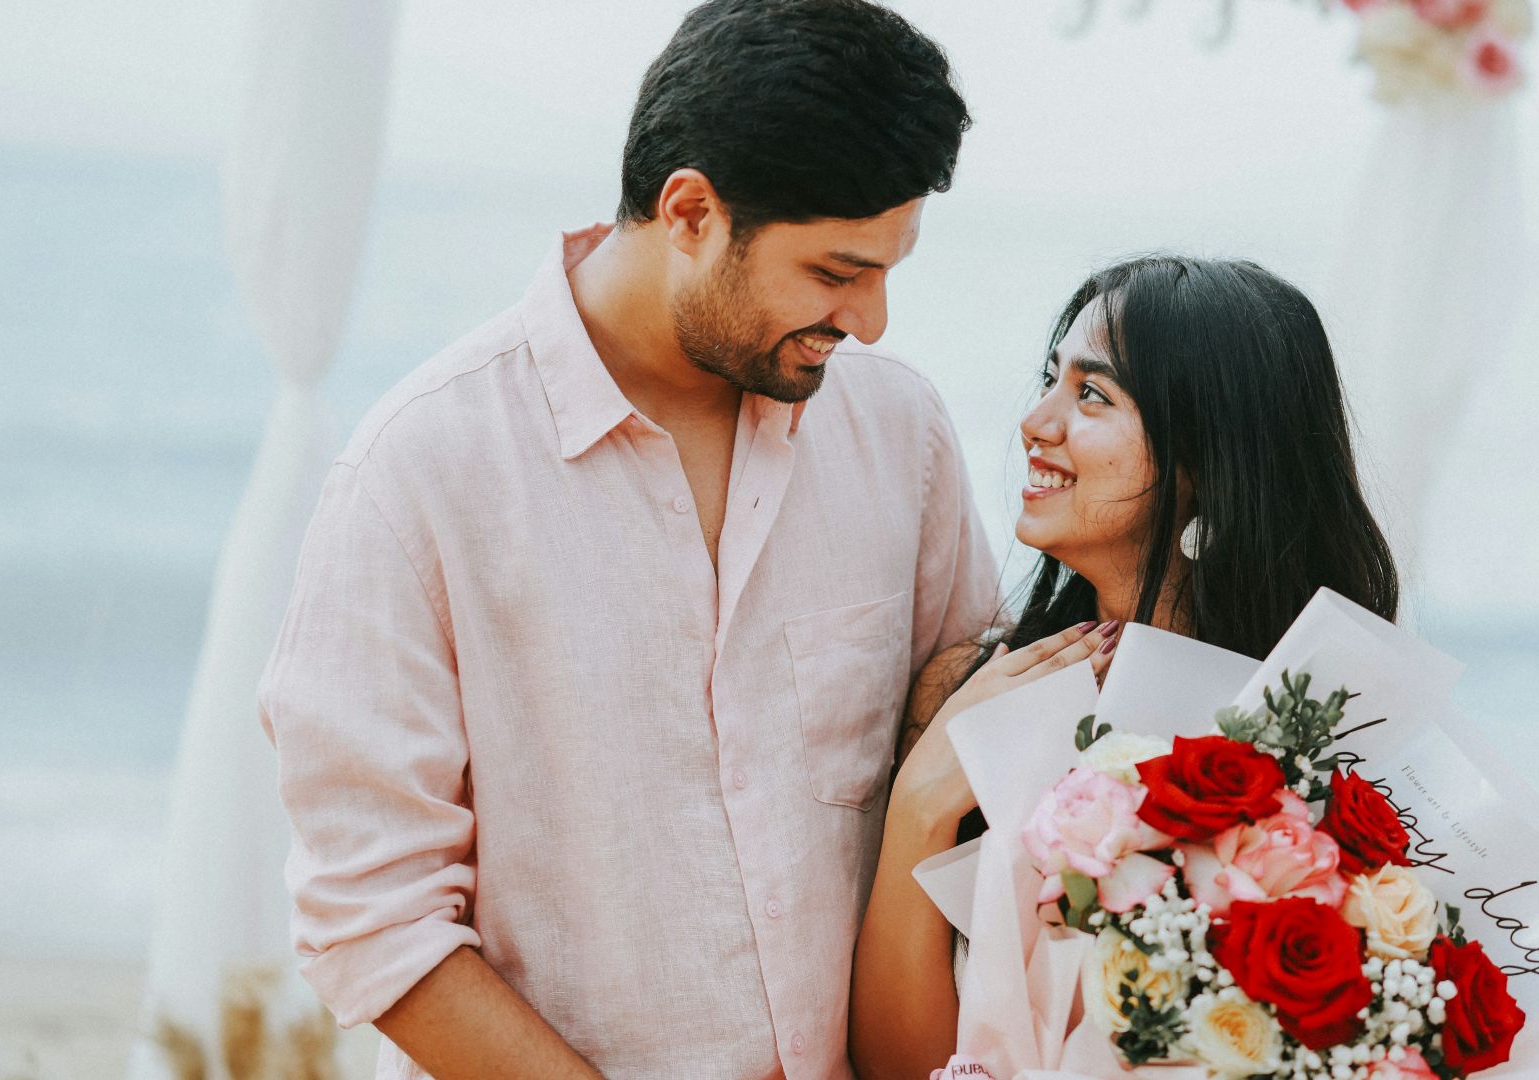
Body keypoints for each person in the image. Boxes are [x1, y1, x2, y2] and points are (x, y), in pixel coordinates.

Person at [257, 2, 990, 1077]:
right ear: (689, 210)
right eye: (836, 274)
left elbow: (963, 774)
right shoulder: (420, 472)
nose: (871, 320)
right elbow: (372, 918)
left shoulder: (899, 430)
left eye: (888, 270)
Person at [849, 255, 1402, 1078]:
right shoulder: (968, 688)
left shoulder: (1318, 739)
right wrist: (922, 803)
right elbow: (898, 1068)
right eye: (1050, 379)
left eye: (1093, 395)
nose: (1037, 421)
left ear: (1205, 463)